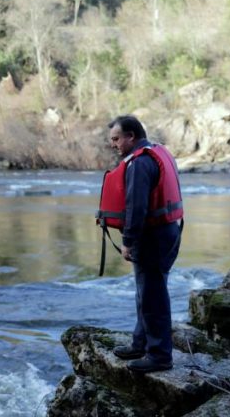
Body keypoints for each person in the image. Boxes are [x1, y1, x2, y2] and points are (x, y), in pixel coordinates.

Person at [97, 115, 184, 373]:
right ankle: (140, 343)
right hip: (169, 231)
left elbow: (137, 207)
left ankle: (159, 356)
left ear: (130, 136)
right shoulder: (157, 151)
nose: (113, 145)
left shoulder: (140, 163)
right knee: (147, 292)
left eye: (116, 139)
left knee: (152, 296)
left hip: (153, 237)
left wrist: (128, 241)